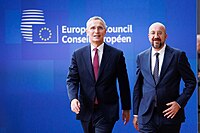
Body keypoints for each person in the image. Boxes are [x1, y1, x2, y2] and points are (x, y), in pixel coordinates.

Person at [67, 16, 131, 133]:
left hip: (107, 110)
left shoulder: (116, 55)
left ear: (105, 31)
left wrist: (126, 107)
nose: (96, 31)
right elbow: (72, 80)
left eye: (100, 28)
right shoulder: (78, 54)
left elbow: (123, 83)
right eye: (92, 28)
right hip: (86, 109)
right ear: (87, 32)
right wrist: (73, 98)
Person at [132, 22, 196, 133]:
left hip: (170, 116)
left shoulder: (178, 55)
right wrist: (136, 114)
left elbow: (191, 82)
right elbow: (138, 86)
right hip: (147, 116)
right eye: (153, 33)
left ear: (165, 36)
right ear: (148, 36)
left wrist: (179, 103)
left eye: (159, 33)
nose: (156, 36)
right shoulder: (141, 57)